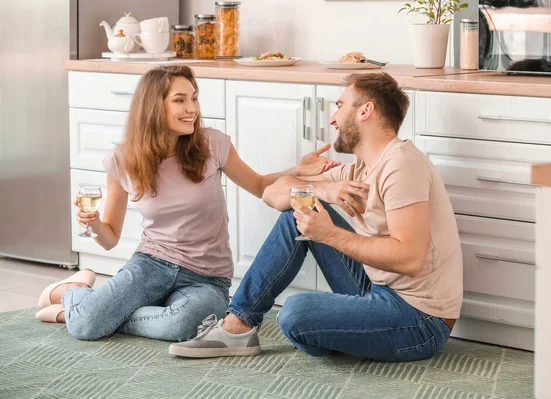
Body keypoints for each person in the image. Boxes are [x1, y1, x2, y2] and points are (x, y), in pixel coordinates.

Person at [169, 72, 463, 362]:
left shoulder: (401, 164)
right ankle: (238, 326)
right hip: (379, 289)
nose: (333, 119)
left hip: (420, 319)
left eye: (339, 106)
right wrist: (322, 188)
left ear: (365, 111)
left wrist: (329, 233)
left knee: (295, 313)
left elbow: (410, 259)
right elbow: (273, 193)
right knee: (295, 215)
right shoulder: (357, 170)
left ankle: (337, 332)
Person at [34, 65, 339, 342]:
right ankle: (76, 293)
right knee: (85, 327)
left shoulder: (212, 144)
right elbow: (110, 238)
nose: (191, 108)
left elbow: (259, 185)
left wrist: (296, 171)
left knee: (184, 325)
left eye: (194, 98)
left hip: (207, 278)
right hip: (151, 265)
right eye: (180, 100)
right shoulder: (123, 161)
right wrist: (95, 224)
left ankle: (95, 308)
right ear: (154, 106)